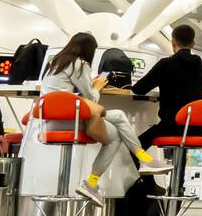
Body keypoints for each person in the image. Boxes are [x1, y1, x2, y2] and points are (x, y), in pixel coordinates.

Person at [39, 32, 170, 205]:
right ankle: (94, 181)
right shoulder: (79, 64)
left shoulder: (56, 63)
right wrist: (97, 86)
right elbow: (91, 98)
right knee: (114, 137)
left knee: (119, 116)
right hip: (72, 120)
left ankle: (142, 158)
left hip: (49, 123)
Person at [131, 24, 202, 149]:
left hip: (170, 129)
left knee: (134, 148)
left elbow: (138, 89)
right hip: (197, 130)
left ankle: (141, 162)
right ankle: (176, 167)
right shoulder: (201, 67)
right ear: (193, 43)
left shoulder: (166, 64)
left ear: (173, 42)